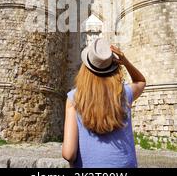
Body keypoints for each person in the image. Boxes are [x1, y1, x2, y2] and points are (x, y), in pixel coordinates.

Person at [62, 38, 146, 168]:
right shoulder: (124, 94)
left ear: (85, 68)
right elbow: (140, 81)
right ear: (113, 67)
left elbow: (69, 154)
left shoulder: (74, 98)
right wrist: (125, 62)